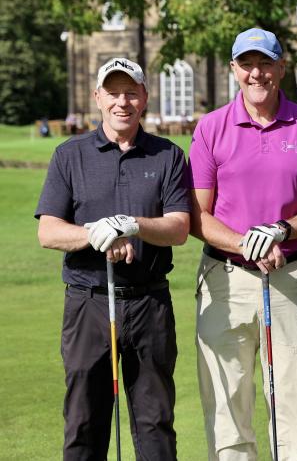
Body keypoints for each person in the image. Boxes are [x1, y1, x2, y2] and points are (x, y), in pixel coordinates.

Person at [189, 28, 297, 461]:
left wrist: (280, 230)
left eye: (266, 63)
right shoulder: (211, 128)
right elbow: (198, 215)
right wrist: (248, 242)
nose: (257, 73)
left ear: (281, 68)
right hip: (225, 279)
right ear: (234, 69)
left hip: (290, 278)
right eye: (247, 64)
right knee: (227, 406)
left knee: (293, 409)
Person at [35, 57, 191, 460]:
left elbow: (178, 227)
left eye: (131, 92)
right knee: (84, 423)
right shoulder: (70, 155)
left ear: (144, 98)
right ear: (98, 97)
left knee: (155, 424)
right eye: (114, 92)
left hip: (149, 304)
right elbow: (48, 231)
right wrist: (97, 234)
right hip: (88, 304)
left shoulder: (168, 155)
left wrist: (133, 226)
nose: (122, 102)